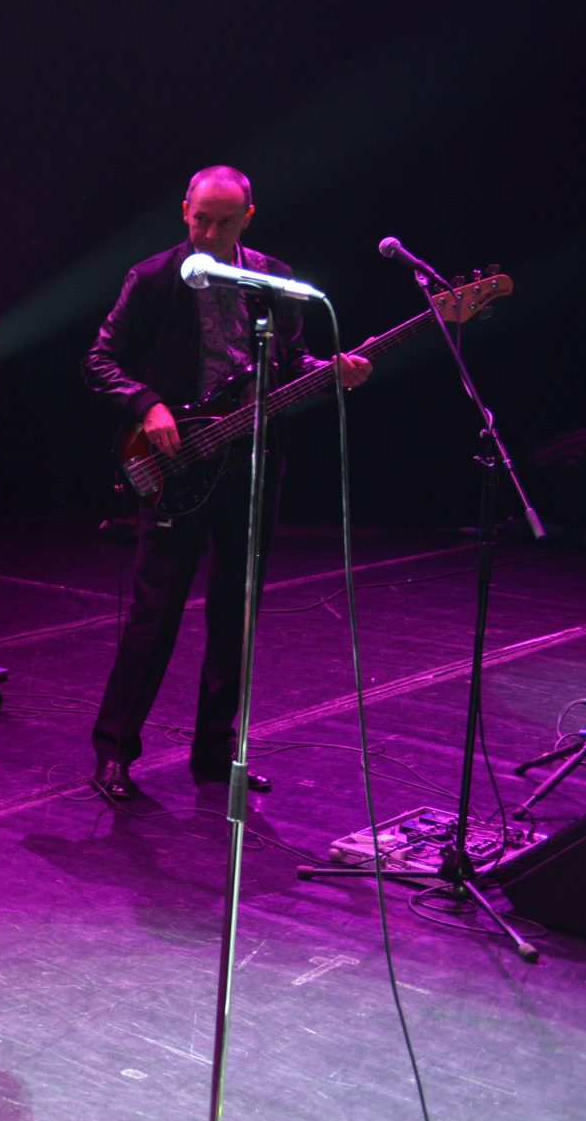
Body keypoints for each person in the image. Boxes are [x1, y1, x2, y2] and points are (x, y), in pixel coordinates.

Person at [81, 165, 370, 803]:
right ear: (184, 211)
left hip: (253, 465)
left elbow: (288, 363)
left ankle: (215, 754)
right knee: (155, 615)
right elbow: (99, 359)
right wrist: (147, 404)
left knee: (236, 617)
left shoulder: (273, 281)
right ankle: (114, 751)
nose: (211, 233)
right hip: (180, 463)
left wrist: (331, 370)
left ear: (249, 218)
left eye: (226, 222)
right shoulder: (153, 277)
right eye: (201, 220)